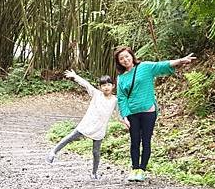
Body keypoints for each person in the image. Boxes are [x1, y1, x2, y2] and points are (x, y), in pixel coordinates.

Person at [114, 46, 196, 182]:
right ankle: (134, 168)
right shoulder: (121, 78)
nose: (125, 60)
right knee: (134, 141)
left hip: (148, 111)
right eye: (121, 58)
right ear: (119, 62)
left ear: (132, 56)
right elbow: (122, 98)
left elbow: (161, 65)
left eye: (126, 56)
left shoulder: (145, 67)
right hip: (132, 113)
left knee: (146, 141)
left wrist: (181, 60)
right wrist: (124, 116)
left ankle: (142, 169)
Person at [46, 70, 117, 179]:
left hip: (99, 128)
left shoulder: (115, 100)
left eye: (108, 85)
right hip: (87, 123)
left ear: (113, 86)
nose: (106, 87)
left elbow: (122, 112)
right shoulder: (96, 94)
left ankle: (94, 173)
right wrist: (75, 76)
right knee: (70, 137)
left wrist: (126, 121)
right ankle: (53, 152)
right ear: (100, 87)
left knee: (96, 152)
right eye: (103, 85)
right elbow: (86, 84)